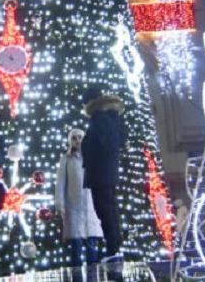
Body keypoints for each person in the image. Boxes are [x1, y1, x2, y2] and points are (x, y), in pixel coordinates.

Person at [80, 85, 128, 261]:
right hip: (108, 170)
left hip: (100, 171)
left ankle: (112, 248)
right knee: (110, 208)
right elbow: (120, 140)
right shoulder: (112, 116)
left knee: (104, 210)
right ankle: (114, 246)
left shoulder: (99, 118)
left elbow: (101, 144)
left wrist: (87, 148)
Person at [56, 128, 104, 271]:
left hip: (91, 207)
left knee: (92, 247)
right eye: (74, 138)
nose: (77, 141)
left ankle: (92, 276)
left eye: (80, 137)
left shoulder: (92, 158)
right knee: (76, 249)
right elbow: (60, 183)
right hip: (73, 207)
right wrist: (60, 204)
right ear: (70, 141)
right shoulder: (66, 159)